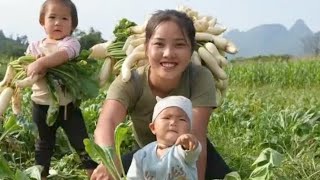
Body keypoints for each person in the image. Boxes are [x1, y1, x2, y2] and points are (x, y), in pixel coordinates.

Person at [92, 9, 231, 180]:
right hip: (148, 155)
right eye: (159, 44)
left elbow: (196, 133)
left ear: (191, 49)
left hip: (188, 151)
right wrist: (109, 161)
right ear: (146, 48)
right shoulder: (130, 81)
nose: (168, 53)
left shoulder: (200, 77)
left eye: (179, 45)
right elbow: (108, 121)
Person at [25, 0, 97, 178]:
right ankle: (41, 175)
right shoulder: (34, 47)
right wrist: (35, 67)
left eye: (64, 18)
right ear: (42, 21)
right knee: (43, 145)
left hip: (67, 108)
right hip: (40, 106)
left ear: (73, 25)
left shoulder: (72, 43)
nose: (58, 22)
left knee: (82, 142)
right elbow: (29, 70)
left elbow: (64, 54)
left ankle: (94, 174)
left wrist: (42, 62)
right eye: (52, 17)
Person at [127, 95, 202, 179]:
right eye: (166, 118)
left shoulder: (183, 151)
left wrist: (189, 143)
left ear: (189, 130)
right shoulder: (141, 156)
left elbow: (193, 151)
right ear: (153, 128)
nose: (173, 122)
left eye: (182, 119)